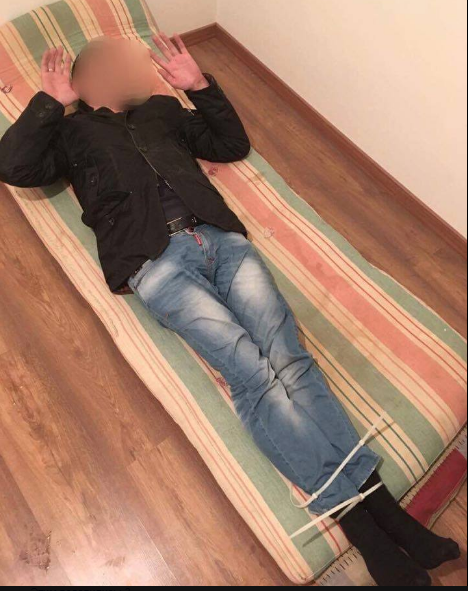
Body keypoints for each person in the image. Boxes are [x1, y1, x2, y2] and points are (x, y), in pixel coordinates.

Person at [0, 33, 459, 587]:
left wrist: (199, 86)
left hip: (221, 238)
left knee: (291, 361)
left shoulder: (162, 111)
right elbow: (13, 165)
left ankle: (386, 522)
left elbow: (230, 143)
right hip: (156, 262)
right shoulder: (71, 132)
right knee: (253, 375)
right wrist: (51, 103)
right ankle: (374, 530)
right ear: (89, 79)